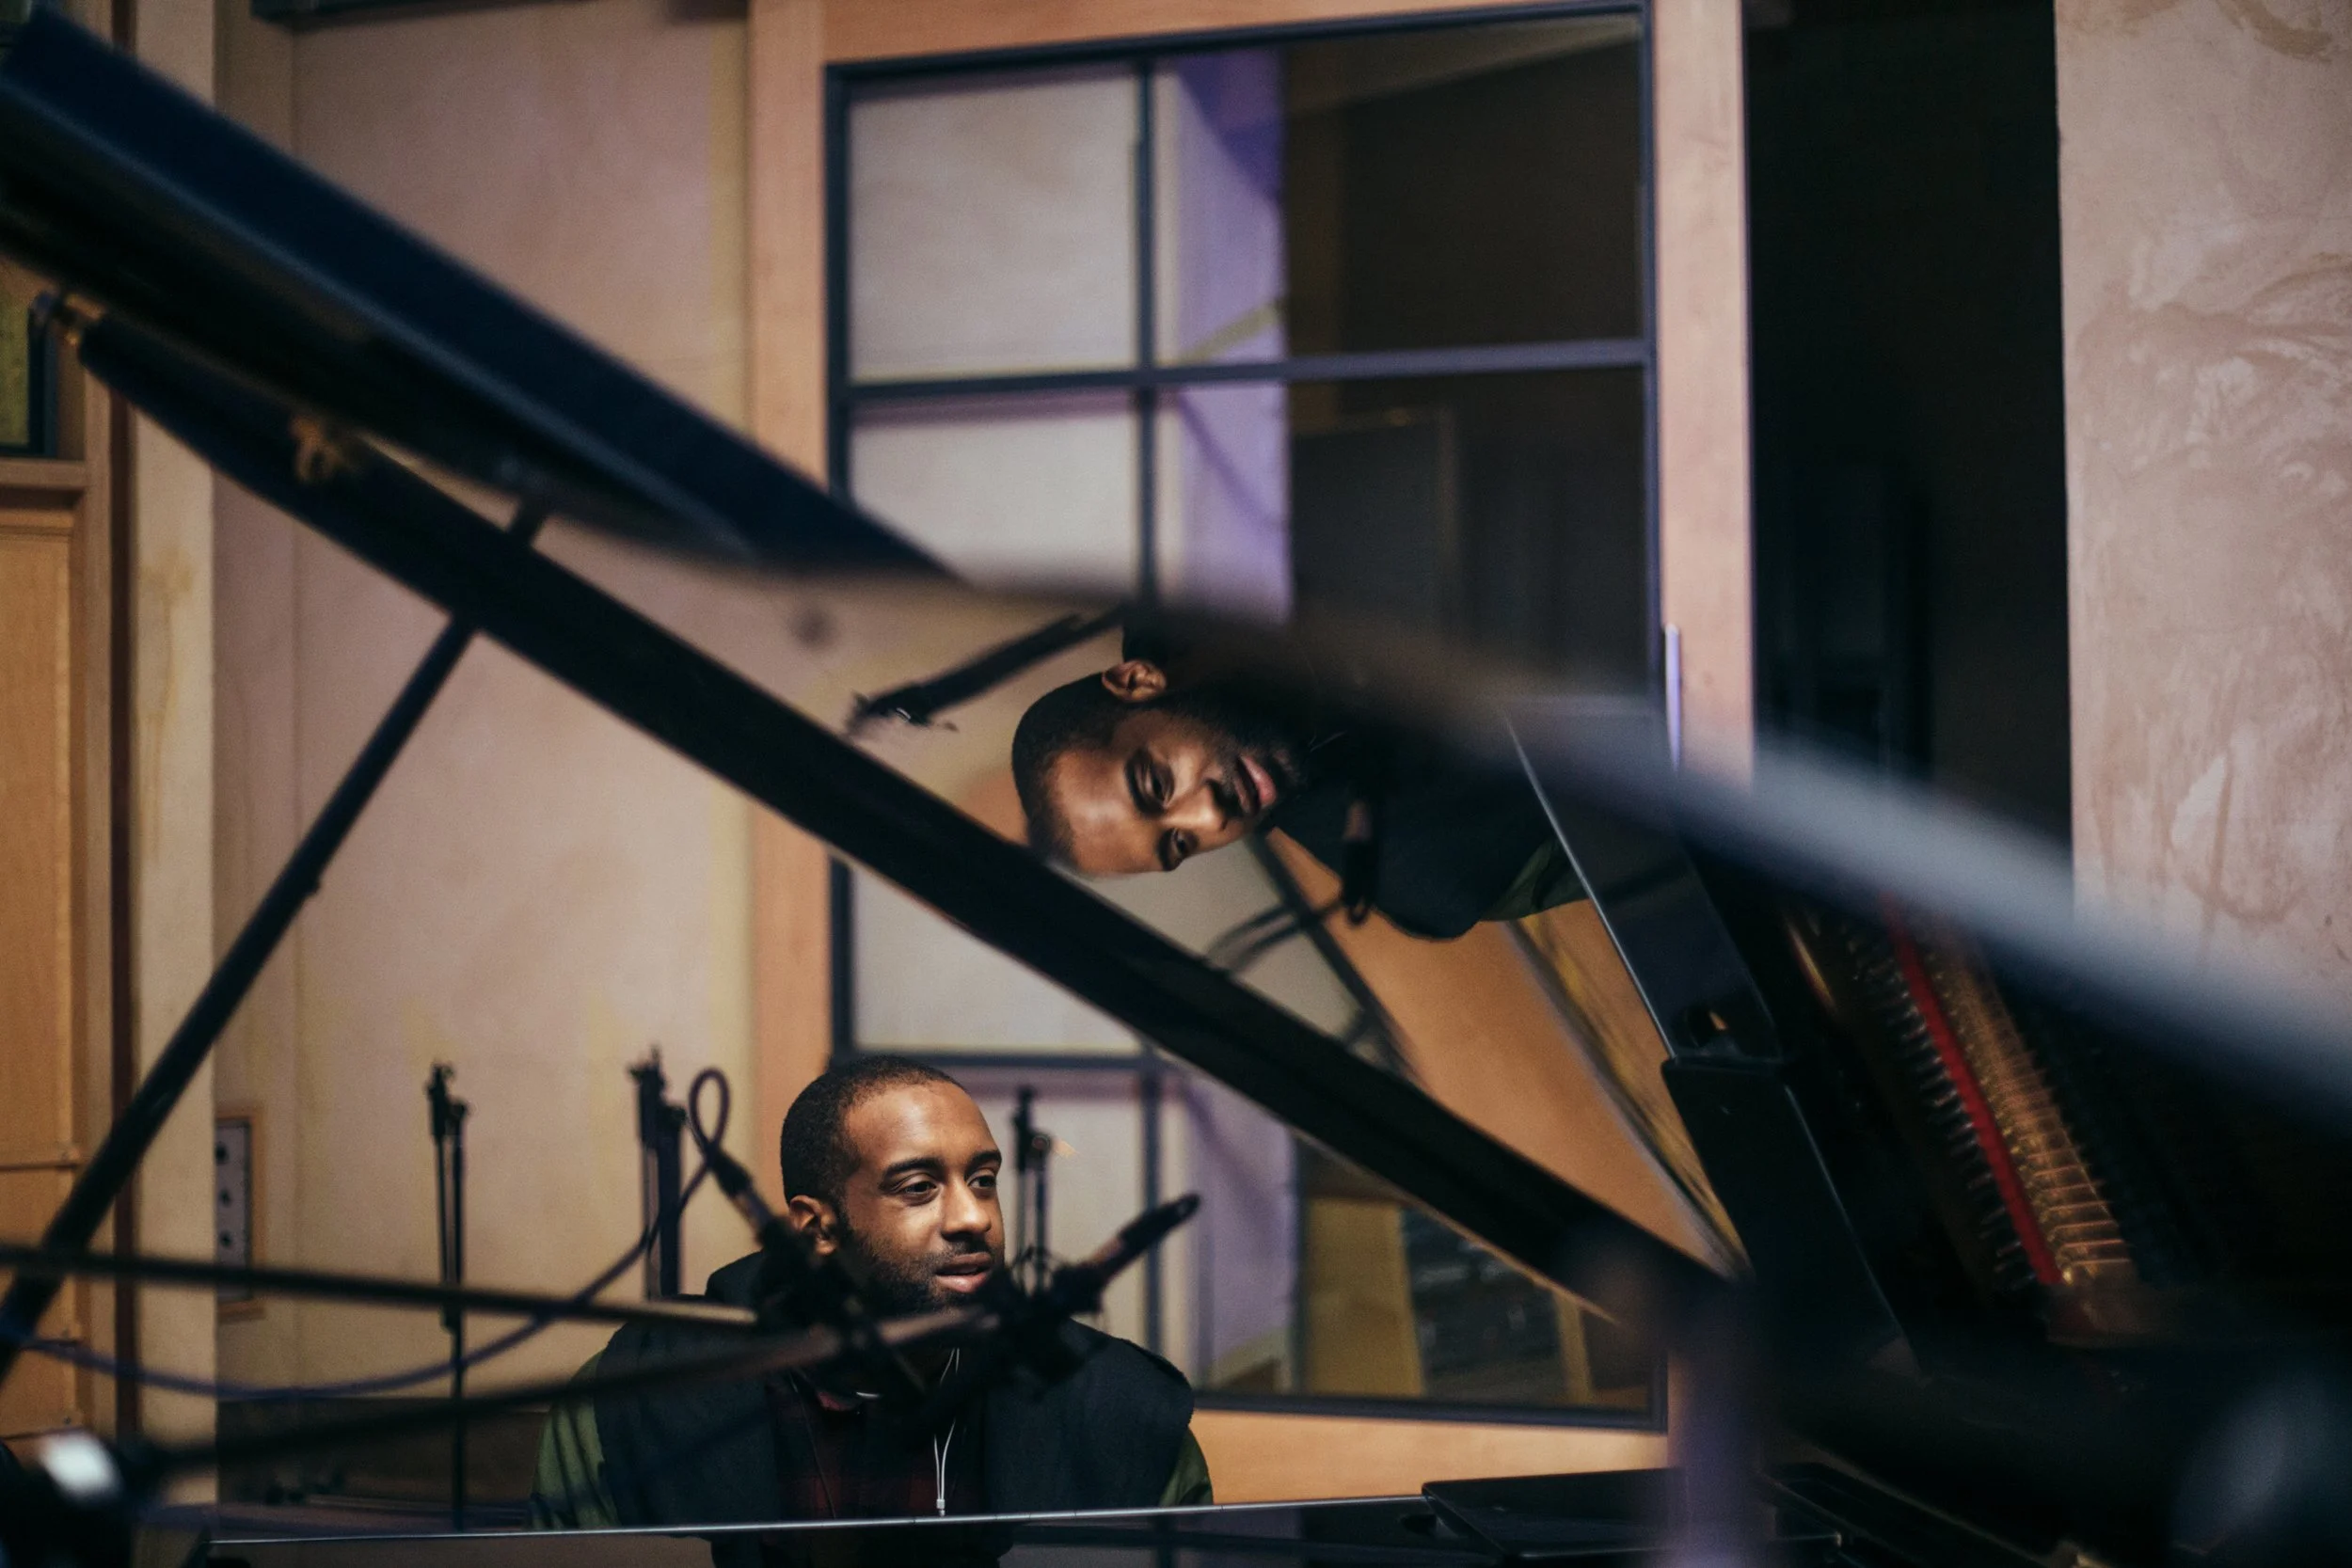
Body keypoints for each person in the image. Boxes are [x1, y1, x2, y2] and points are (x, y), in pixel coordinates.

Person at [529, 1057, 1208, 1551]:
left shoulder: (1119, 1407)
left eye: (982, 1179)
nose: (974, 1217)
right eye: (918, 1188)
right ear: (817, 1228)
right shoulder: (634, 1399)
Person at [1009, 640, 1586, 941]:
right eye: (1179, 844)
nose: (1211, 818)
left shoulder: (1211, 531)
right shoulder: (1432, 872)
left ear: (1137, 681)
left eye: (1158, 784)